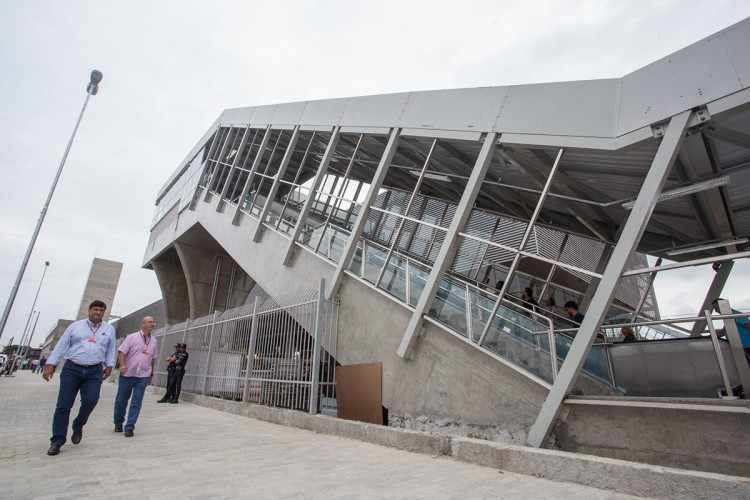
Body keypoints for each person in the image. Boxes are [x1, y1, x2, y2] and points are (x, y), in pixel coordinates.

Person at [43, 300, 116, 456]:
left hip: (94, 371)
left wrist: (109, 365)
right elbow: (61, 345)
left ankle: (78, 424)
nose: (98, 312)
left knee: (91, 400)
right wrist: (51, 363)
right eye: (95, 309)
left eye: (101, 310)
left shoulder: (109, 329)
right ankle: (57, 440)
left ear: (104, 313)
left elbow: (111, 349)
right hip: (72, 369)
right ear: (89, 310)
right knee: (63, 405)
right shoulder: (75, 326)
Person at [114, 316, 159, 437]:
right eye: (150, 322)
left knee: (136, 402)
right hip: (127, 374)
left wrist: (152, 371)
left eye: (153, 322)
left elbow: (153, 357)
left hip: (143, 375)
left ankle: (129, 426)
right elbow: (121, 352)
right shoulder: (132, 337)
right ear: (143, 324)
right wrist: (122, 365)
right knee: (121, 401)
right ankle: (118, 422)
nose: (152, 324)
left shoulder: (154, 341)